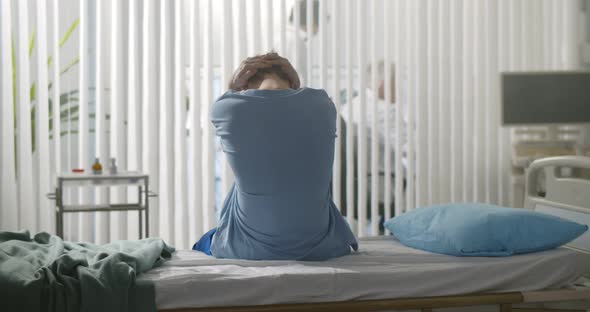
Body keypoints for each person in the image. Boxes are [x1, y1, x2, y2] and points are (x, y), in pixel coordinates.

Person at [193, 52, 358, 261]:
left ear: (245, 85)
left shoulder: (229, 109)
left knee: (205, 241)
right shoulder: (322, 105)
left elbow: (230, 100)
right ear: (292, 80)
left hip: (247, 250)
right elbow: (291, 104)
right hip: (321, 248)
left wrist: (232, 86)